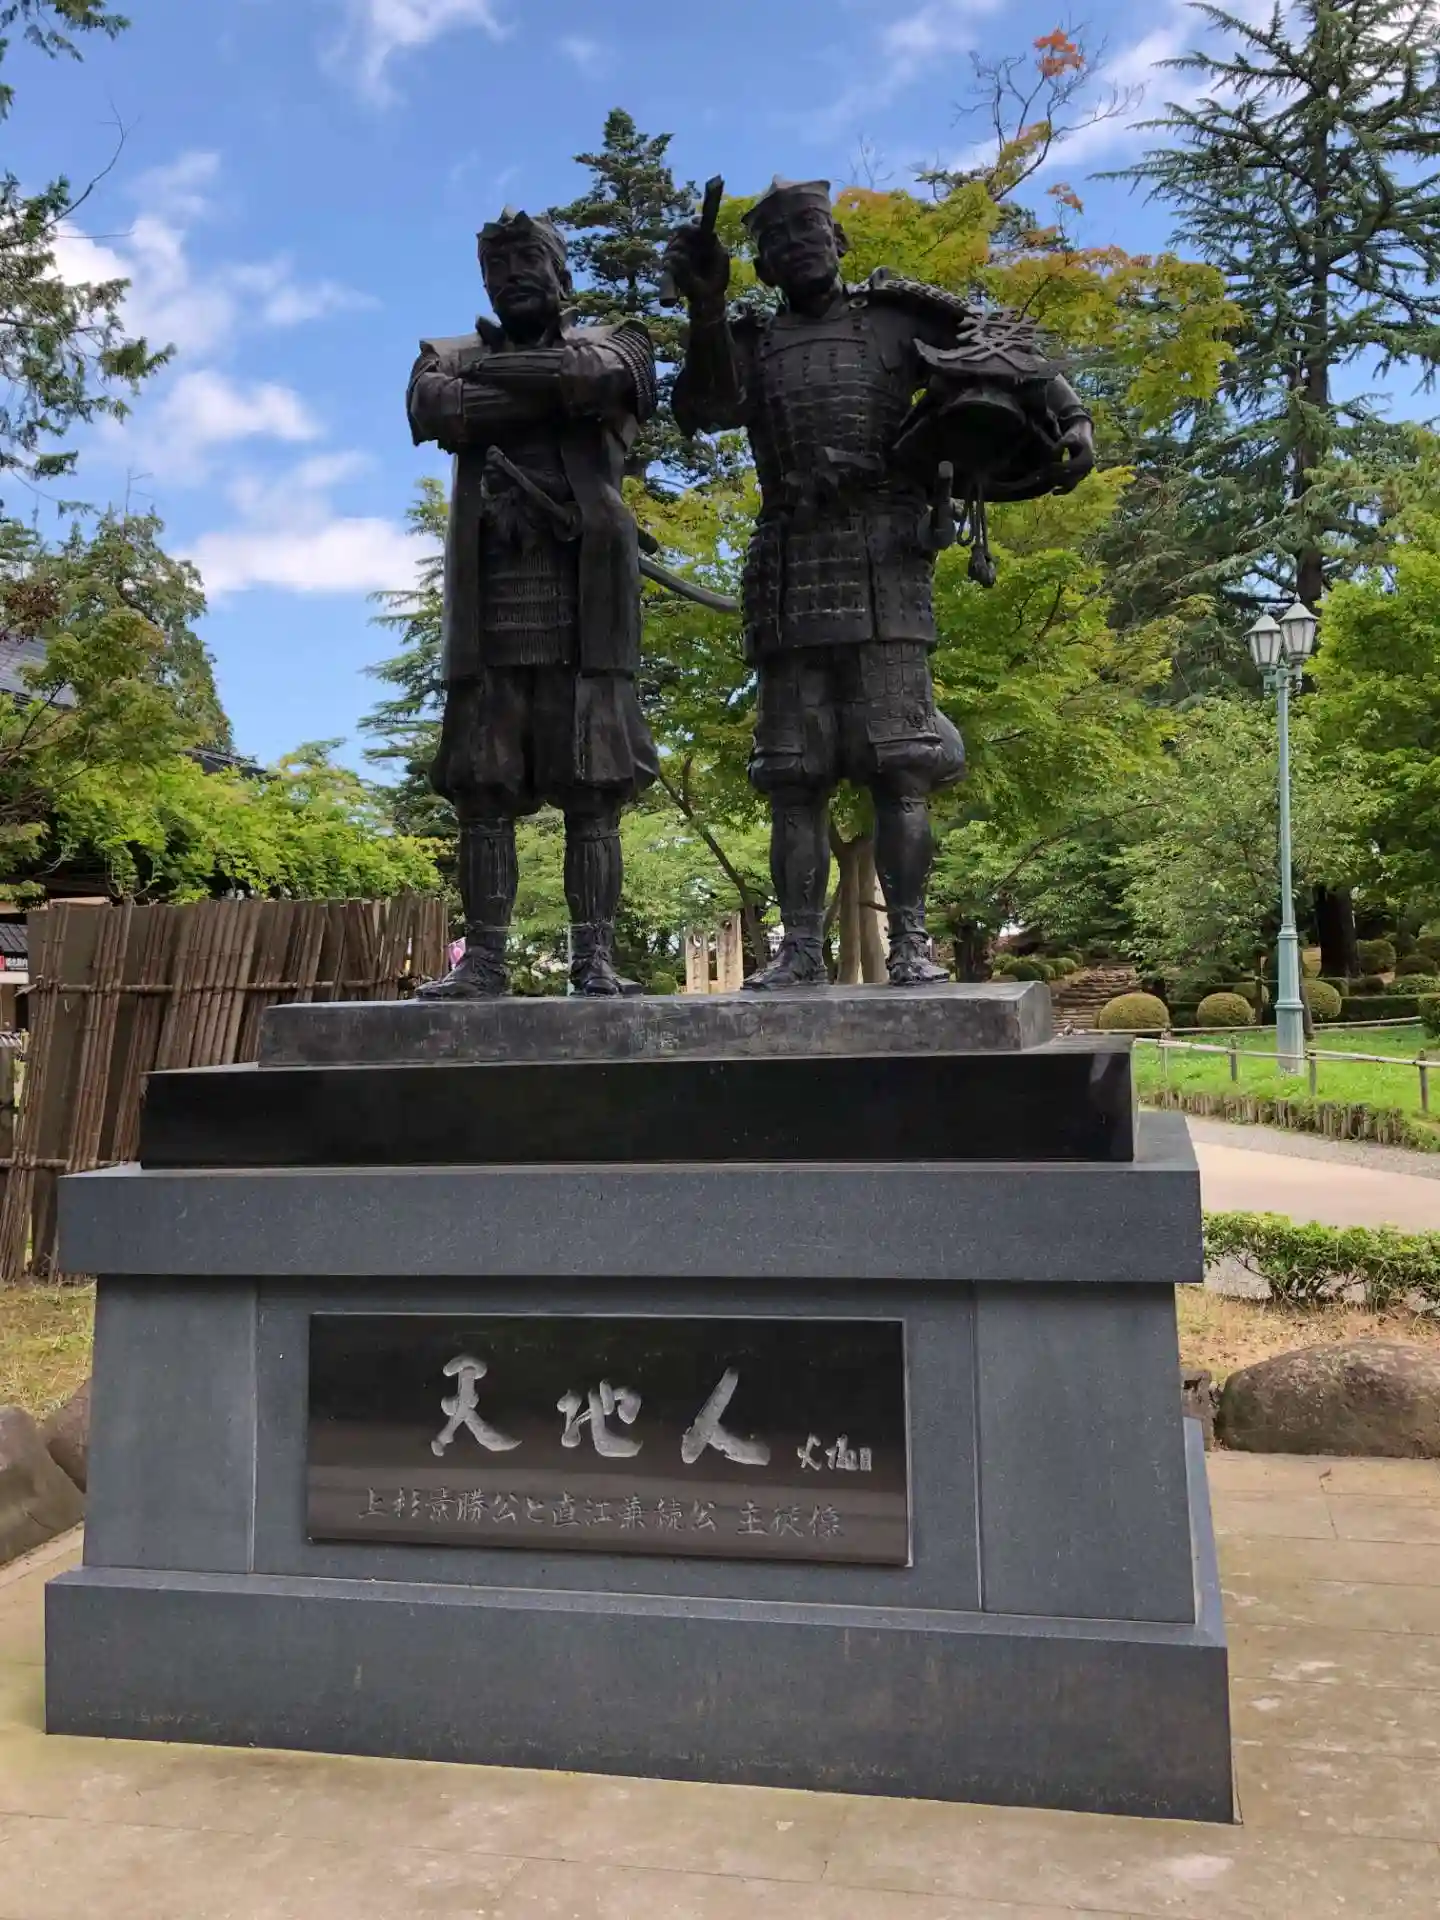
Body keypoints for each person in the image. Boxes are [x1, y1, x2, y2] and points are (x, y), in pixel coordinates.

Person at [666, 177, 1095, 989]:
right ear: (762, 264)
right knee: (793, 775)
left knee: (901, 764)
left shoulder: (898, 319)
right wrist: (706, 305)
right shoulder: (750, 339)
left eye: (811, 234)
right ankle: (800, 947)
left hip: (888, 558)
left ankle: (911, 943)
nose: (799, 250)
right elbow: (704, 406)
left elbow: (1006, 349)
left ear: (838, 242)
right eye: (779, 243)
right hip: (791, 564)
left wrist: (1071, 416)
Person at [407, 208, 659, 998]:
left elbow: (600, 383)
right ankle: (483, 961)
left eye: (529, 261)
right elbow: (436, 409)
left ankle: (595, 960)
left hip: (587, 607)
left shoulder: (617, 342)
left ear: (561, 272)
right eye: (498, 266)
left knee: (593, 788)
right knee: (482, 790)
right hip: (490, 605)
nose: (513, 276)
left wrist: (503, 387)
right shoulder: (444, 355)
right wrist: (547, 390)